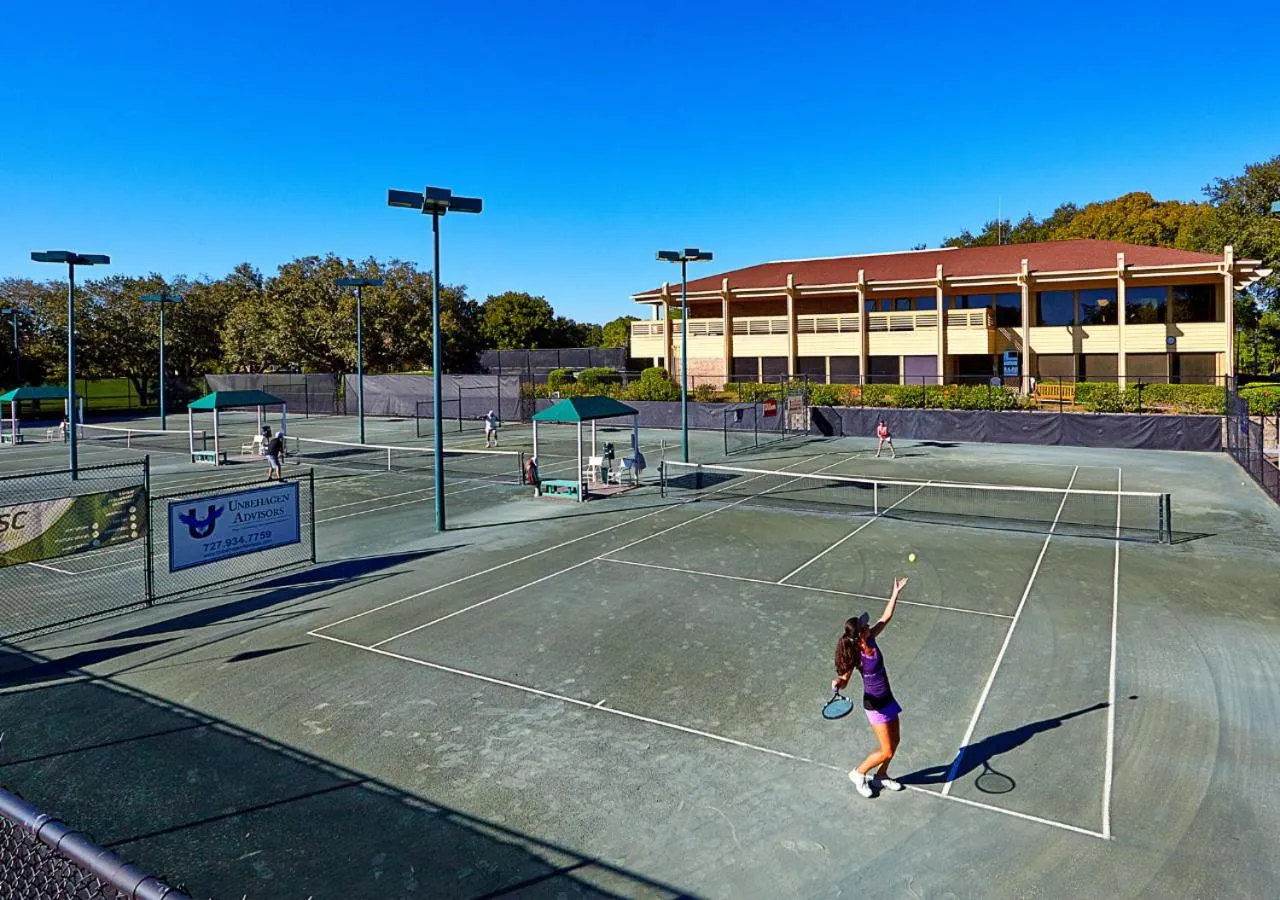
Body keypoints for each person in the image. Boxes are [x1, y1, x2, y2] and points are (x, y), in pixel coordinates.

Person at [833, 576, 910, 798]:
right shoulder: (856, 656)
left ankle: (881, 776)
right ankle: (858, 773)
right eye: (864, 626)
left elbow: (886, 617)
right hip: (874, 705)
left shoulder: (872, 639)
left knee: (895, 742)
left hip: (888, 698)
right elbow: (845, 680)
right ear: (859, 636)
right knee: (885, 749)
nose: (868, 625)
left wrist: (895, 592)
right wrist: (839, 682)